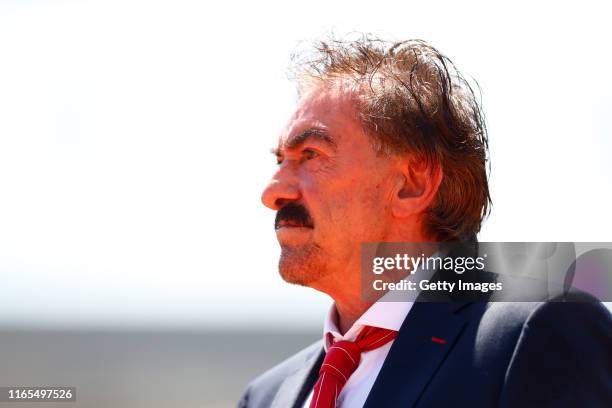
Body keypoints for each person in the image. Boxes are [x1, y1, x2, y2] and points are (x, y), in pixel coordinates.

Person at [238, 37, 612, 408]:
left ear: (412, 185)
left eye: (311, 154)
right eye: (280, 160)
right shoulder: (266, 396)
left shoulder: (540, 333)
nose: (273, 192)